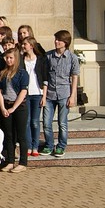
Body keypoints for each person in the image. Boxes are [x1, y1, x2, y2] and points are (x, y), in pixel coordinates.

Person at [41, 30, 80, 158]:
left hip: (64, 94)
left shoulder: (72, 58)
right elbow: (45, 76)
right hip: (50, 94)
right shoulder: (48, 56)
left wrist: (73, 96)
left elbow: (74, 77)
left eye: (59, 40)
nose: (56, 42)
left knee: (62, 123)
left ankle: (61, 146)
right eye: (56, 39)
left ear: (66, 42)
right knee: (46, 122)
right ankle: (49, 145)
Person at [0, 48, 29, 172]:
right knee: (9, 135)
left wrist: (13, 108)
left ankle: (23, 162)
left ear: (16, 58)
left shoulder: (22, 73)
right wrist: (3, 108)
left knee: (21, 135)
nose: (8, 60)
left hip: (19, 107)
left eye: (11, 58)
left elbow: (23, 91)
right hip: (6, 105)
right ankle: (10, 161)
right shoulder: (3, 73)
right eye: (7, 58)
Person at [22, 36, 47, 156]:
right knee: (26, 121)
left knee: (35, 121)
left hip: (37, 93)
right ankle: (28, 146)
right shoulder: (22, 59)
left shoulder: (40, 59)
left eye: (25, 44)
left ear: (31, 46)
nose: (23, 46)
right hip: (26, 94)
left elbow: (45, 78)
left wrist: (44, 96)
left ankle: (35, 146)